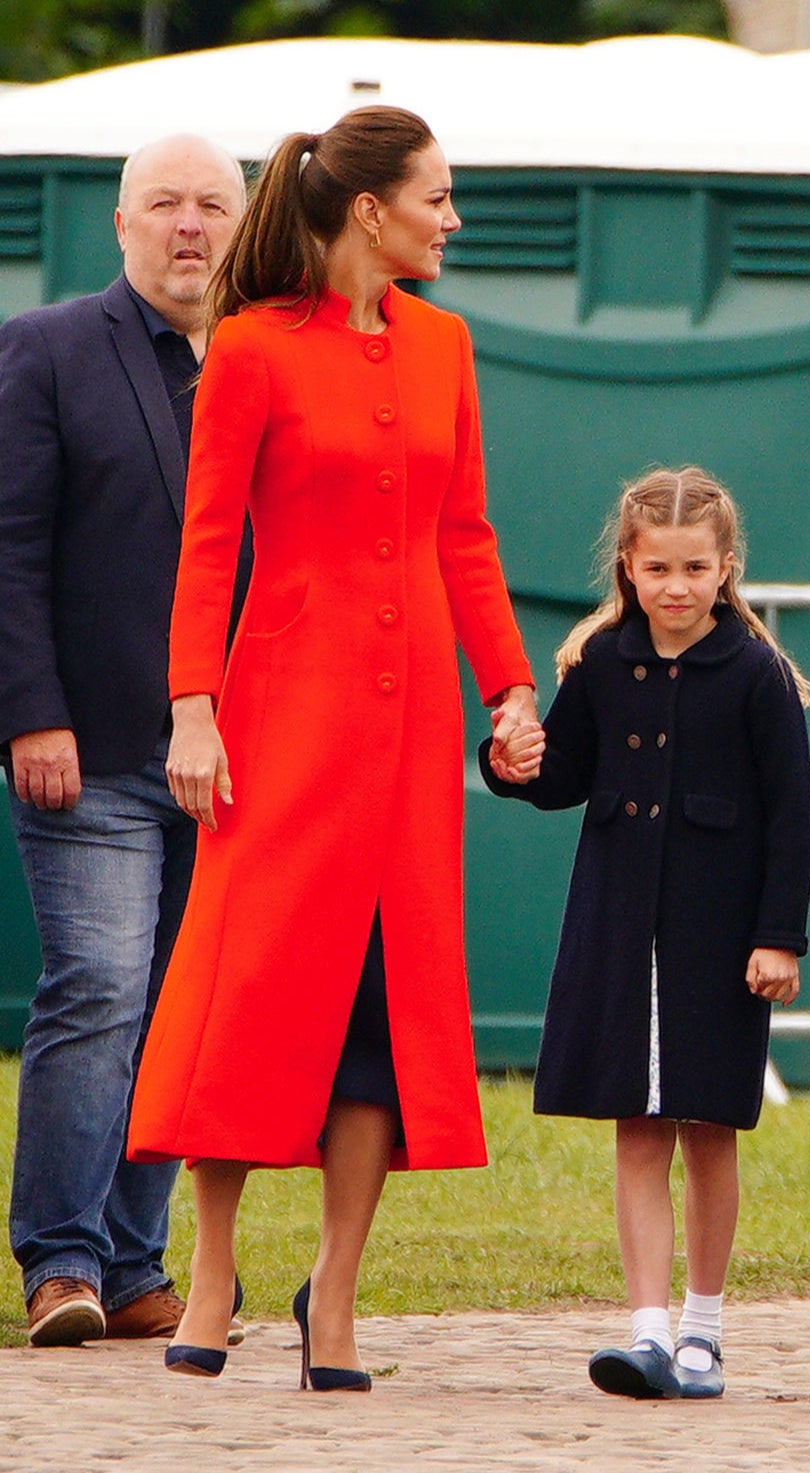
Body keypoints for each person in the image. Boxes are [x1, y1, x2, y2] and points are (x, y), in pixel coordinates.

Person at [125, 105, 541, 1387]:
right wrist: (193, 707)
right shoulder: (247, 350)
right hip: (279, 714)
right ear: (370, 210)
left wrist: (511, 691)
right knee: (252, 991)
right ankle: (207, 1275)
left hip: (411, 727)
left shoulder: (446, 345)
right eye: (439, 196)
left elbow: (463, 537)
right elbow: (205, 544)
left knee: (377, 1012)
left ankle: (339, 1297)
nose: (452, 220)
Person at [481, 465, 810, 1401]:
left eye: (695, 567)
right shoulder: (598, 665)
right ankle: (647, 1330)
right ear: (627, 565)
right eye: (658, 566)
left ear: (726, 568)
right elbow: (561, 776)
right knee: (637, 1128)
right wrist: (510, 761)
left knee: (710, 1129)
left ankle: (704, 1330)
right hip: (620, 929)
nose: (676, 585)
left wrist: (778, 935)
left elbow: (793, 818)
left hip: (720, 940)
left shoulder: (757, 675)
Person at [0, 135, 248, 1348]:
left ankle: (137, 1260)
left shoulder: (266, 359)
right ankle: (58, 1262)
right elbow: (9, 545)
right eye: (166, 204)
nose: (189, 225)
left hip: (237, 757)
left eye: (212, 204)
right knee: (98, 990)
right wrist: (28, 710)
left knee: (180, 1004)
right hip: (88, 743)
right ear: (120, 225)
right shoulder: (46, 349)